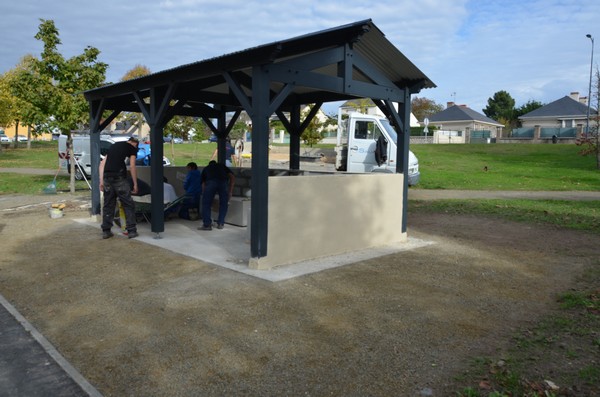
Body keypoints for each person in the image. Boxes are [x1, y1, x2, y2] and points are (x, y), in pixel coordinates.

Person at [99, 137, 140, 239]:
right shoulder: (132, 147)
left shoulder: (114, 145)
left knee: (108, 204)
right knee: (128, 203)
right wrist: (135, 183)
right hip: (119, 177)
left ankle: (106, 231)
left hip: (107, 178)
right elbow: (132, 166)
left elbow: (102, 164)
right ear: (135, 143)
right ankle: (131, 231)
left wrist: (101, 181)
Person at [198, 160, 235, 230]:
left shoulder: (206, 168)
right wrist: (230, 191)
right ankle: (220, 223)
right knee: (224, 203)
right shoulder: (222, 166)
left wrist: (205, 194)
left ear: (209, 164)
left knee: (206, 204)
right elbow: (232, 177)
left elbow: (203, 184)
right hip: (223, 183)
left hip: (211, 183)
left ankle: (207, 225)